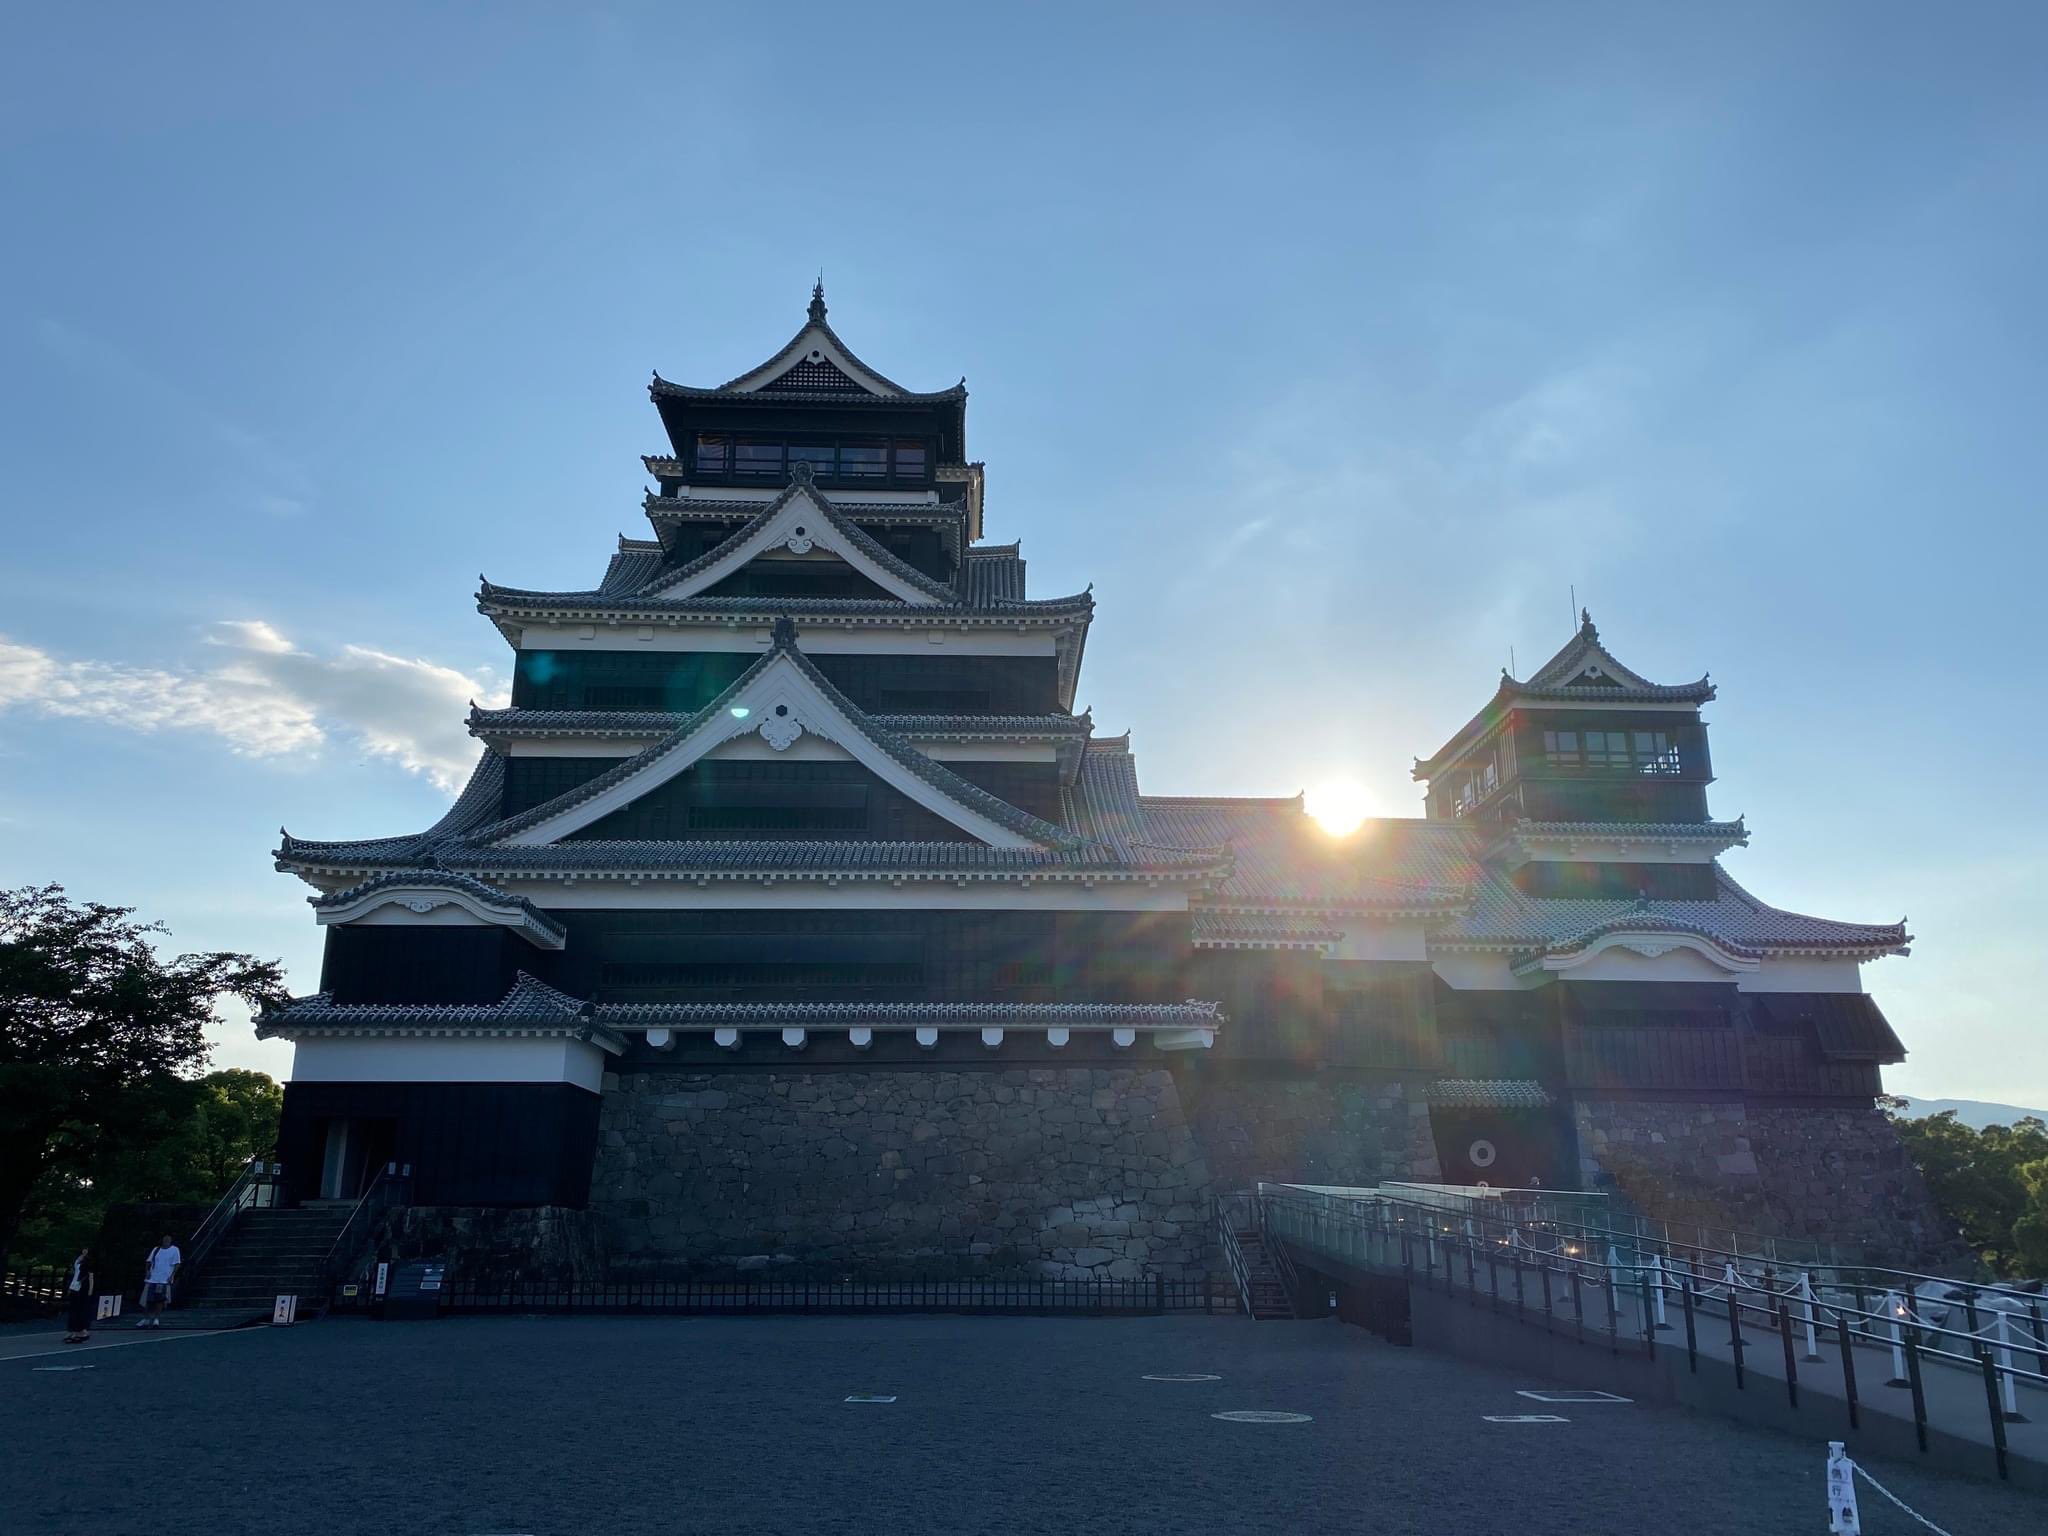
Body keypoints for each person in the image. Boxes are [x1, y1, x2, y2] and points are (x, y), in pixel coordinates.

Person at [139, 1233, 181, 1328]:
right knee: (147, 1299)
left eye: (168, 1240)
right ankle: (146, 1318)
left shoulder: (174, 1250)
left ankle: (156, 1318)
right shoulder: (156, 1249)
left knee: (160, 1300)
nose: (166, 1241)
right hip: (152, 1278)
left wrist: (172, 1275)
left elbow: (177, 1264)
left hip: (164, 1279)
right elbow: (148, 1261)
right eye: (165, 1239)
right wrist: (147, 1271)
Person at [63, 1247, 95, 1344]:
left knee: (81, 1309)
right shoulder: (78, 1259)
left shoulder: (88, 1261)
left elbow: (91, 1276)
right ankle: (74, 1330)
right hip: (75, 1286)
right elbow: (76, 1272)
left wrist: (90, 1289)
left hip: (82, 1286)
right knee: (74, 1309)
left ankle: (81, 1331)